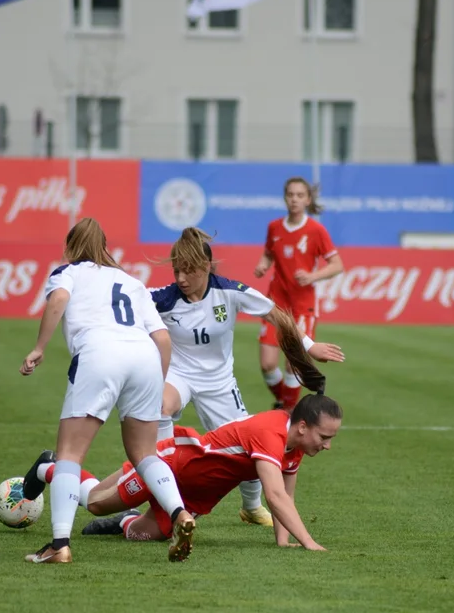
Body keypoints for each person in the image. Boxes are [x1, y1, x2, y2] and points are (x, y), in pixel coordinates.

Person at [19, 217, 196, 564]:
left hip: (100, 353)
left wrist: (40, 347)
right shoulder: (132, 281)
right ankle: (180, 514)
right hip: (144, 355)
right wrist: (157, 385)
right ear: (104, 247)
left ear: (71, 246)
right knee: (145, 453)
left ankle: (58, 545)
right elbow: (162, 338)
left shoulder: (67, 271)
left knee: (69, 454)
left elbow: (57, 301)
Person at [148, 227, 343, 528]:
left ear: (205, 268)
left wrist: (310, 345)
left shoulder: (229, 291)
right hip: (180, 375)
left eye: (187, 271)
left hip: (220, 383)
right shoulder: (163, 299)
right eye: (176, 271)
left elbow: (276, 314)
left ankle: (251, 507)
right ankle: (161, 494)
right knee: (161, 406)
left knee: (249, 447)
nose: (181, 279)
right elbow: (125, 302)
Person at [27, 394, 343, 552]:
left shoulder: (295, 449)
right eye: (325, 437)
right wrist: (310, 543)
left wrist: (283, 543)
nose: (327, 446)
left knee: (149, 535)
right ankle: (49, 466)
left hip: (194, 496)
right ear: (302, 426)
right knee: (95, 502)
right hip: (171, 465)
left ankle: (123, 520)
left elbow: (286, 497)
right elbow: (273, 496)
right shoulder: (269, 432)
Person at [254, 177, 344, 412]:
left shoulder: (316, 230)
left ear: (308, 199)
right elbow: (268, 253)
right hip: (276, 302)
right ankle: (286, 402)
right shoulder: (274, 227)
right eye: (291, 195)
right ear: (285, 197)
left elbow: (337, 265)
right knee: (267, 364)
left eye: (300, 195)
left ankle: (287, 411)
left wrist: (313, 276)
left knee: (293, 364)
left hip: (303, 304)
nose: (294, 199)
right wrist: (263, 264)